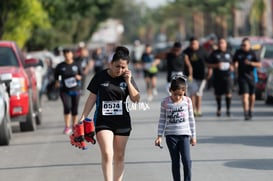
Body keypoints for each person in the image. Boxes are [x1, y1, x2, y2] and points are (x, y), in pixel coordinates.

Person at [78, 46, 140, 181]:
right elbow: (92, 97)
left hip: (122, 121)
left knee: (120, 155)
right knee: (107, 153)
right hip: (103, 121)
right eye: (117, 66)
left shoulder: (127, 78)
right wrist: (83, 116)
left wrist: (128, 82)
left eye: (123, 67)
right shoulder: (100, 76)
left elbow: (136, 99)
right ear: (111, 63)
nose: (120, 70)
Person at [155, 74, 196, 181]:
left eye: (180, 95)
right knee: (175, 161)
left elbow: (191, 119)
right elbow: (162, 120)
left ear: (184, 92)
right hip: (171, 136)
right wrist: (159, 136)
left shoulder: (187, 101)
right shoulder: (165, 102)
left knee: (187, 160)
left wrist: (193, 136)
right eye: (175, 94)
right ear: (170, 90)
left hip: (184, 136)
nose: (177, 97)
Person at [55, 48, 83, 134]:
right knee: (67, 107)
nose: (67, 55)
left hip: (75, 89)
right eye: (65, 54)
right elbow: (56, 77)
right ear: (63, 55)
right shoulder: (60, 66)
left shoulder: (77, 65)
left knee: (74, 109)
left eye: (68, 53)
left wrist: (78, 77)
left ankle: (74, 126)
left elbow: (81, 75)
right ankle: (67, 126)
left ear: (72, 54)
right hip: (65, 90)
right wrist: (57, 83)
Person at [233, 38, 261, 120]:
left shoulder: (253, 53)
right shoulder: (238, 52)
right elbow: (234, 61)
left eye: (245, 45)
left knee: (252, 96)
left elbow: (259, 64)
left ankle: (251, 110)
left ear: (249, 45)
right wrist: (235, 67)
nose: (243, 46)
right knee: (245, 95)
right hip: (242, 77)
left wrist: (250, 63)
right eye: (242, 45)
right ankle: (245, 112)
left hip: (251, 77)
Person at [183, 37, 209, 117]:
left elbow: (209, 62)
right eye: (191, 44)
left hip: (202, 76)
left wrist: (209, 73)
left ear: (198, 43)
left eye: (195, 44)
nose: (193, 45)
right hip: (190, 76)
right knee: (192, 92)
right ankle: (193, 110)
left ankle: (198, 110)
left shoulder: (203, 51)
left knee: (199, 93)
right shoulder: (186, 52)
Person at [207, 38, 233, 117]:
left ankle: (228, 110)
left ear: (226, 44)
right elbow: (208, 64)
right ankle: (219, 108)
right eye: (220, 43)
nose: (221, 44)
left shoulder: (229, 53)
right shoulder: (214, 53)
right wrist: (216, 65)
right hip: (218, 76)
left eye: (223, 43)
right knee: (218, 94)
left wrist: (232, 67)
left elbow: (234, 63)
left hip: (228, 76)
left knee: (228, 93)